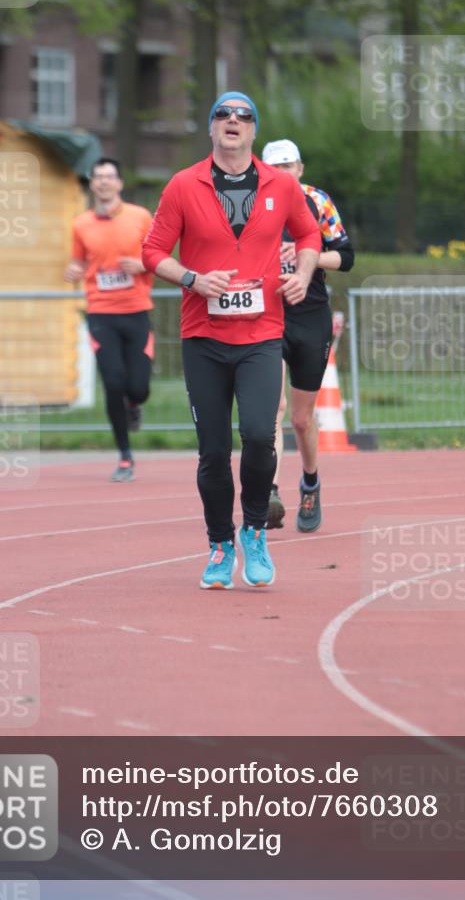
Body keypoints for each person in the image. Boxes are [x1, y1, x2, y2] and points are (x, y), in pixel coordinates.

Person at [142, 93, 321, 589]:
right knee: (213, 450)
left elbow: (310, 237)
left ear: (254, 130)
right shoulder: (183, 185)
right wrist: (193, 278)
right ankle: (220, 544)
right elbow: (153, 252)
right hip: (204, 337)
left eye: (243, 116)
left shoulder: (281, 184)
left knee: (262, 436)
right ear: (211, 128)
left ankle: (255, 532)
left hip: (263, 335)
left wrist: (302, 275)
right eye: (223, 114)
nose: (233, 122)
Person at [261, 139, 355, 533]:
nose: (283, 173)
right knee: (272, 409)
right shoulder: (250, 202)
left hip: (309, 315)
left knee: (301, 419)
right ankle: (267, 492)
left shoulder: (317, 201)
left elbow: (346, 257)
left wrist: (307, 257)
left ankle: (311, 482)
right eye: (275, 167)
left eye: (289, 166)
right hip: (266, 312)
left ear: (300, 168)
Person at [64, 157, 154, 482]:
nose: (103, 182)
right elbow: (76, 263)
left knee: (139, 388)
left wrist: (143, 265)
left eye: (109, 176)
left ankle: (135, 405)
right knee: (113, 383)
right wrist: (71, 270)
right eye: (97, 177)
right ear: (92, 183)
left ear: (119, 183)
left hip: (137, 309)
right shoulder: (81, 224)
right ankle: (125, 455)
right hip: (101, 312)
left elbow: (159, 256)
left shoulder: (140, 217)